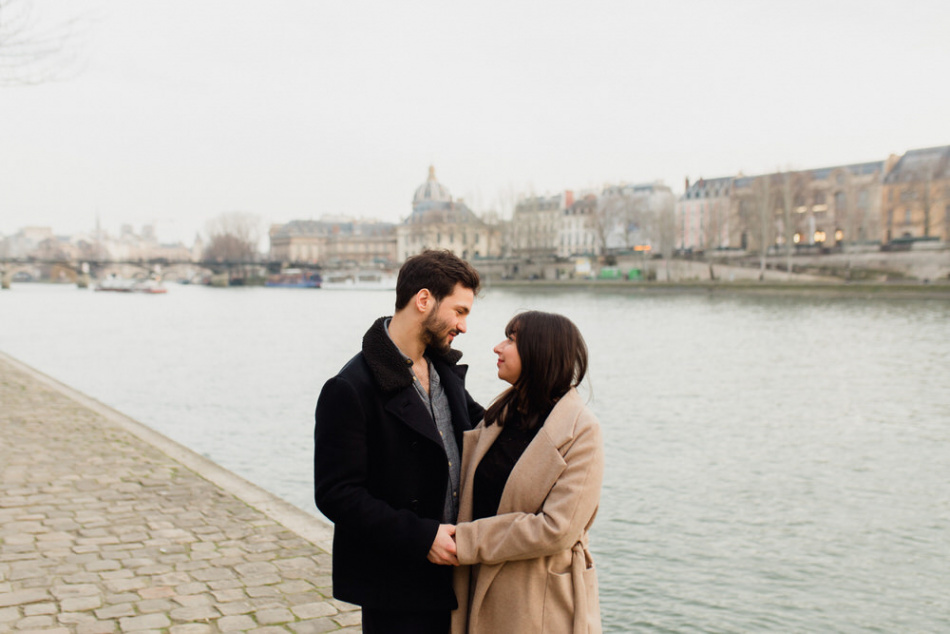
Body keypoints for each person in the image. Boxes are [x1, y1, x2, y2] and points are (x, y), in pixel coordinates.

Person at [313, 249, 483, 634]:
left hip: (456, 576)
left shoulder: (444, 371)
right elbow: (336, 493)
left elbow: (487, 432)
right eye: (459, 311)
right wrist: (422, 537)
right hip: (397, 585)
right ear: (424, 300)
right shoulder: (349, 388)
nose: (464, 326)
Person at [450, 311, 604, 634]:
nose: (497, 347)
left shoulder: (582, 430)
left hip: (537, 605)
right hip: (479, 585)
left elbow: (556, 528)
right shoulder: (504, 413)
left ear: (540, 351)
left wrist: (464, 541)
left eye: (511, 340)